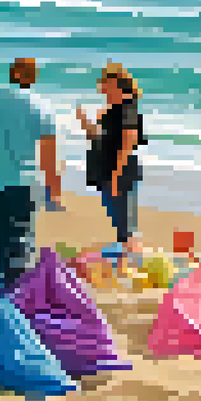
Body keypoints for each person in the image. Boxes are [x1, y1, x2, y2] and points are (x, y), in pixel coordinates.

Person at [0, 58, 61, 288]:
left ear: (12, 73)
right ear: (31, 76)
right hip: (25, 181)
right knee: (23, 240)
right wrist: (54, 188)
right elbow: (48, 152)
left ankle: (8, 289)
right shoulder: (40, 105)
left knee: (4, 240)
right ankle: (18, 295)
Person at [76, 63, 147, 257]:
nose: (102, 89)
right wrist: (85, 123)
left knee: (125, 224)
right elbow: (98, 138)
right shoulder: (111, 110)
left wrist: (116, 175)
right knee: (118, 220)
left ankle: (133, 259)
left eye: (105, 85)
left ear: (116, 84)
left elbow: (129, 141)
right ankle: (127, 258)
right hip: (107, 170)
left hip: (120, 171)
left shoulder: (127, 107)